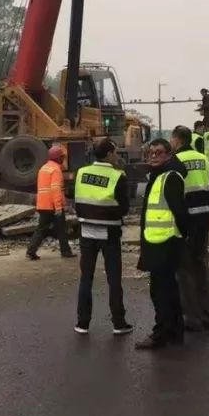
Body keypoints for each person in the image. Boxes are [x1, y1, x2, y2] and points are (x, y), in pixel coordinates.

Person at [73, 138, 133, 336]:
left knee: (86, 278)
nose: (116, 156)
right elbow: (124, 208)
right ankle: (118, 323)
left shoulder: (82, 173)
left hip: (86, 231)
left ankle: (82, 323)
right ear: (108, 154)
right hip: (110, 232)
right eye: (114, 152)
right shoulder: (118, 176)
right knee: (114, 279)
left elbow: (77, 199)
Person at [136, 138, 189, 350]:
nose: (154, 156)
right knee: (168, 290)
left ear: (169, 155)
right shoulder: (160, 176)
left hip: (164, 243)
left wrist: (181, 237)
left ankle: (161, 334)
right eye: (151, 153)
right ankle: (175, 332)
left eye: (159, 153)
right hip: (157, 241)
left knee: (161, 292)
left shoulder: (170, 177)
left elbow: (180, 213)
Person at [171, 126, 209, 332]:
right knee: (202, 268)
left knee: (185, 271)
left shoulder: (176, 161)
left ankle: (192, 319)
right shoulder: (204, 159)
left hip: (185, 220)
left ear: (177, 140)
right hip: (202, 220)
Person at [27, 145, 74, 260]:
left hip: (42, 205)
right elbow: (55, 189)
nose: (63, 159)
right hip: (52, 205)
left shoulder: (43, 168)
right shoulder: (56, 170)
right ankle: (66, 252)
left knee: (41, 229)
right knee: (61, 229)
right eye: (62, 157)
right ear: (58, 158)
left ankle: (31, 251)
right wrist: (58, 207)